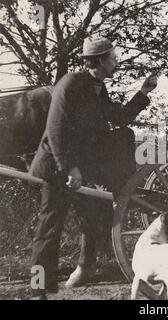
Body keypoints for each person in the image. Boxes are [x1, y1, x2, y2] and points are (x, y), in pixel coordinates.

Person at [29, 36, 157, 299]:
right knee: (49, 228)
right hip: (56, 167)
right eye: (113, 58)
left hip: (77, 169)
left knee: (93, 218)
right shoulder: (71, 83)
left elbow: (118, 118)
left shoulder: (98, 87)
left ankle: (84, 266)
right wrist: (69, 169)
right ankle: (37, 290)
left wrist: (143, 93)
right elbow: (55, 130)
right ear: (100, 61)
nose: (117, 61)